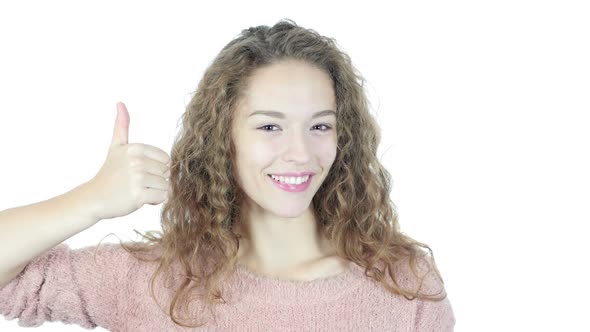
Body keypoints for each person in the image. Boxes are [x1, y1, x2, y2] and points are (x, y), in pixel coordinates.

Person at [0, 19, 455, 331]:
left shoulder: (403, 283)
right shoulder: (154, 280)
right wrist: (90, 201)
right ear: (224, 137)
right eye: (269, 126)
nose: (300, 153)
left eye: (320, 125)